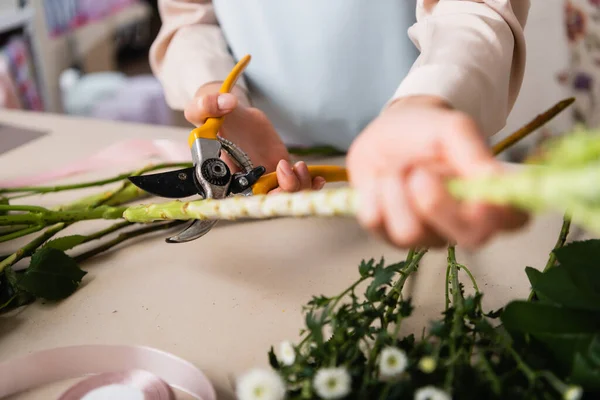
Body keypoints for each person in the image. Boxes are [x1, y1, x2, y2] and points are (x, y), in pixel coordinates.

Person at [149, 0, 531, 249]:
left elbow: (473, 8)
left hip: (429, 162)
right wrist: (216, 90)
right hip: (274, 165)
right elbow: (188, 19)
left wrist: (427, 98)